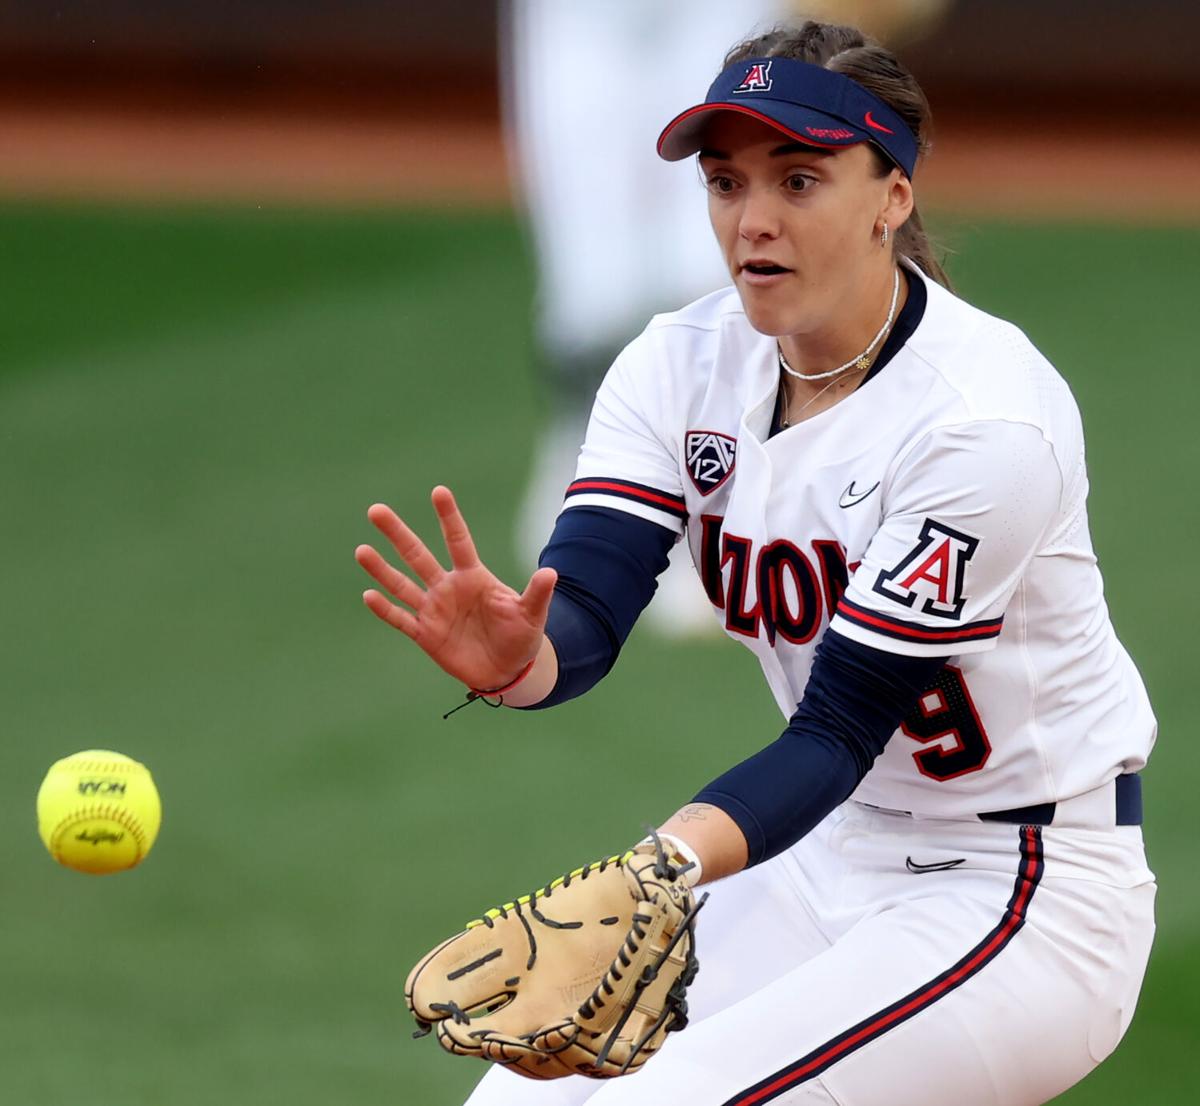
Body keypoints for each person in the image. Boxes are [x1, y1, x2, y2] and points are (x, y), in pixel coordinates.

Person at [356, 20, 1157, 1106]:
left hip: (1020, 890)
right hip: (828, 852)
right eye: (727, 182)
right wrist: (525, 656)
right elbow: (589, 606)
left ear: (892, 197)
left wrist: (665, 864)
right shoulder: (677, 366)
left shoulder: (984, 423)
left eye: (800, 179)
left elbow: (836, 729)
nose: (754, 220)